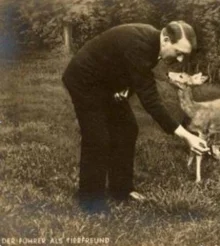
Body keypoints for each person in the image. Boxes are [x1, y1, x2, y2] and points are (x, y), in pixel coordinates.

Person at [62, 21, 209, 213]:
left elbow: (127, 67)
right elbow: (151, 101)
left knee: (127, 129)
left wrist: (124, 87)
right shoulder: (141, 44)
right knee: (98, 138)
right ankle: (90, 201)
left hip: (105, 83)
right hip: (83, 80)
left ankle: (121, 190)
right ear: (165, 39)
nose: (180, 60)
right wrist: (187, 136)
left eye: (184, 55)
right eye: (179, 52)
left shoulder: (153, 44)